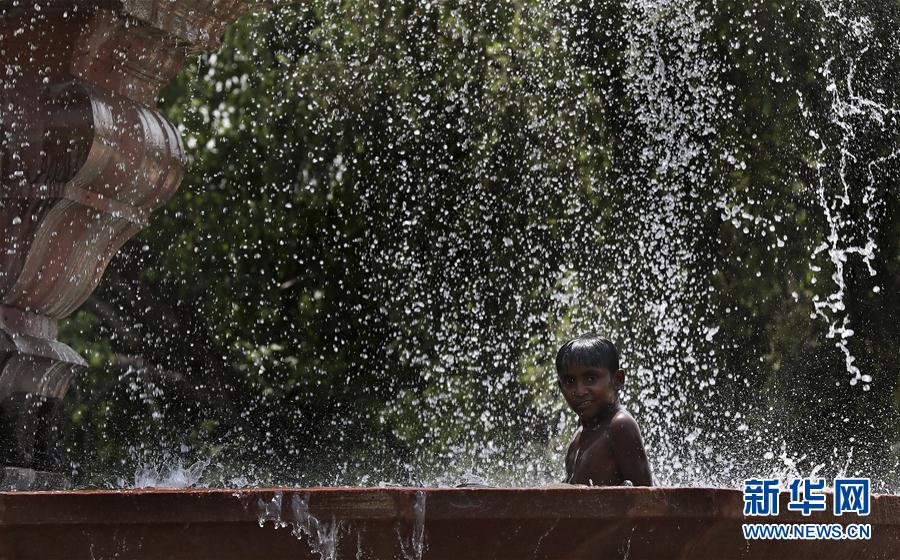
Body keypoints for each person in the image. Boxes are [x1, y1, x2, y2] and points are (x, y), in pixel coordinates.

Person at [556, 334, 653, 486]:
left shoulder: (620, 425)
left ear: (618, 380)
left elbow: (647, 499)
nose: (580, 391)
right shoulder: (579, 434)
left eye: (590, 379)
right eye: (570, 381)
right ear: (561, 388)